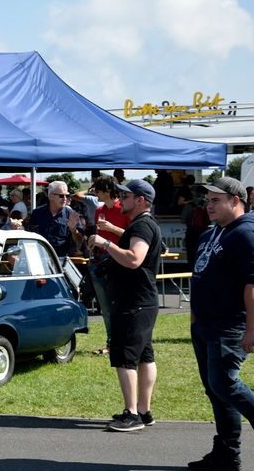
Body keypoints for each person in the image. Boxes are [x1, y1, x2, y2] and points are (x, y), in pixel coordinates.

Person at [187, 177, 254, 471]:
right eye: (207, 200)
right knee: (214, 388)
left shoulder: (247, 233)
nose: (209, 205)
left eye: (216, 200)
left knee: (224, 383)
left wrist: (252, 328)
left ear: (235, 201)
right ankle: (227, 452)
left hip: (229, 325)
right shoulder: (212, 233)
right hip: (204, 324)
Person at [88, 179, 161, 432]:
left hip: (134, 301)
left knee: (126, 358)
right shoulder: (144, 224)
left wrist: (106, 244)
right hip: (142, 300)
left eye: (126, 195)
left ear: (140, 200)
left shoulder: (141, 225)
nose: (121, 199)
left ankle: (132, 414)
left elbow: (134, 260)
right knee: (144, 356)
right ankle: (144, 410)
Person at [89, 175, 130, 355]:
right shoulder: (99, 210)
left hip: (120, 262)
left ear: (106, 191)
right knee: (105, 307)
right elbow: (101, 234)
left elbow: (133, 235)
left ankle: (124, 342)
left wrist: (112, 228)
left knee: (120, 304)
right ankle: (111, 343)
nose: (94, 193)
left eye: (97, 190)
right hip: (101, 260)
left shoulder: (125, 209)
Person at [28, 180, 83, 257]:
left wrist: (73, 230)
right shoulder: (37, 213)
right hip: (39, 257)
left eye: (67, 195)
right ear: (50, 196)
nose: (64, 199)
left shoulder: (71, 214)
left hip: (61, 260)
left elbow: (79, 242)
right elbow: (30, 235)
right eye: (61, 195)